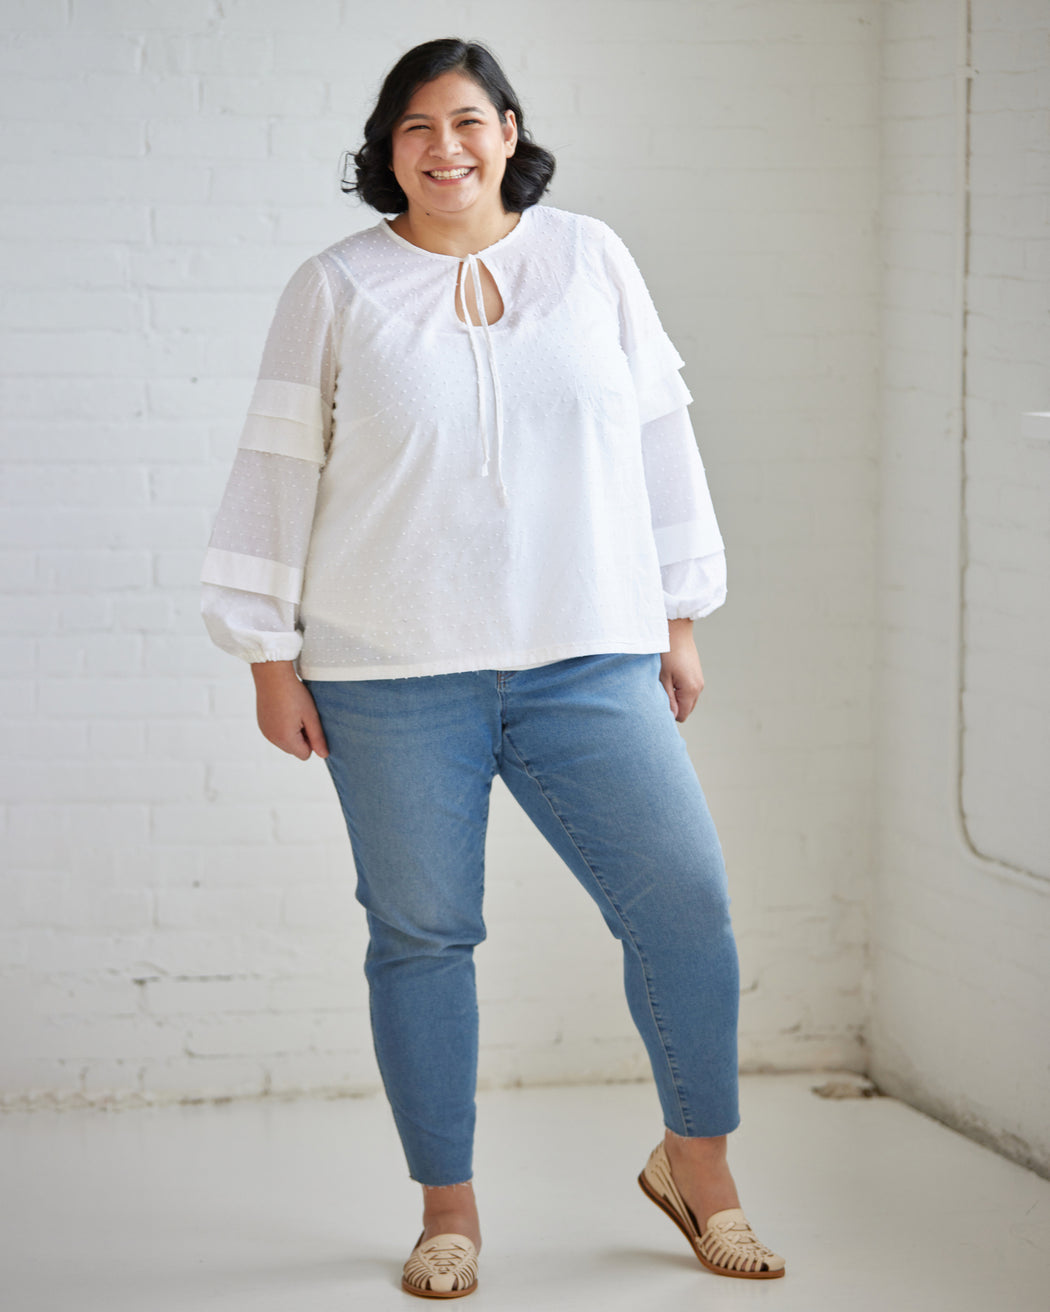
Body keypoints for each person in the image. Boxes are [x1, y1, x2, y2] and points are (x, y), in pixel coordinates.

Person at [201, 36, 786, 1299]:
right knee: (422, 936)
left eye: (469, 121)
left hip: (590, 652)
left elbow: (657, 436)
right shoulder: (337, 286)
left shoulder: (589, 260)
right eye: (417, 128)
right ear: (387, 149)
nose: (446, 147)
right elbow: (276, 473)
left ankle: (700, 1169)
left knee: (684, 904)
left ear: (510, 132)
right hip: (390, 673)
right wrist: (267, 655)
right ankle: (447, 1211)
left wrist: (680, 614)